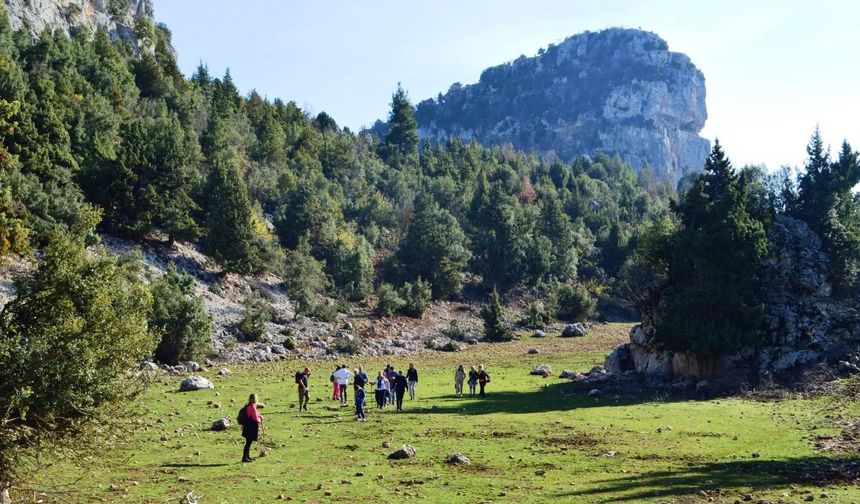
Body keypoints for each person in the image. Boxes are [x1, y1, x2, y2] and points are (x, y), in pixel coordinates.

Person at [239, 393, 263, 463]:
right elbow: (255, 418)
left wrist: (259, 416)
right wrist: (260, 419)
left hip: (247, 426)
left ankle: (247, 457)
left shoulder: (248, 406)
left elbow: (255, 414)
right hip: (250, 427)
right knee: (248, 443)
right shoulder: (252, 407)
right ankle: (244, 458)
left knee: (248, 442)